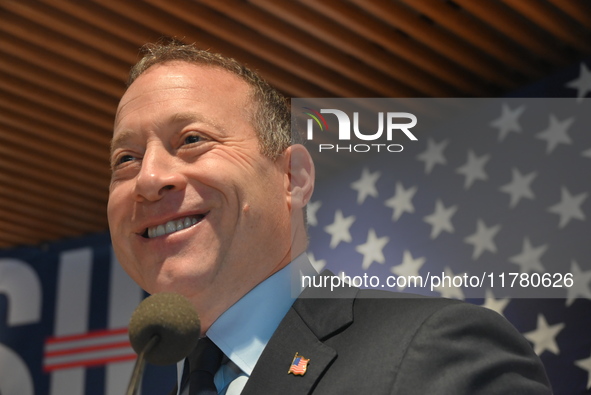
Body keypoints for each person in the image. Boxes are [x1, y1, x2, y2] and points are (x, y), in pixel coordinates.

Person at [107, 41, 552, 394]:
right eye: (125, 158)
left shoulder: (437, 350)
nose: (149, 178)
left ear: (293, 178)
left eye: (191, 139)